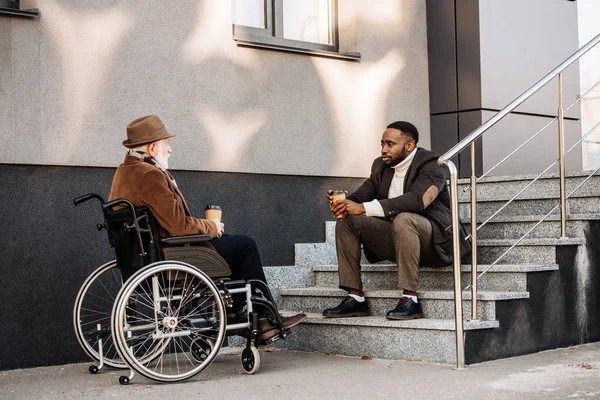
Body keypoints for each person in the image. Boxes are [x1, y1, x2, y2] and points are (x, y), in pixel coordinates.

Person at [108, 115, 306, 341]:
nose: (170, 150)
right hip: (172, 253)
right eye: (166, 145)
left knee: (230, 242)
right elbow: (179, 226)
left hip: (147, 253)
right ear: (153, 147)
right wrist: (210, 226)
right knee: (245, 246)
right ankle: (259, 317)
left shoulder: (124, 171)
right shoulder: (150, 174)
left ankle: (239, 311)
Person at [322, 121, 471, 320]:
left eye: (390, 144)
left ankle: (410, 299)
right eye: (382, 144)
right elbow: (363, 194)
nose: (384, 149)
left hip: (437, 244)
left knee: (404, 218)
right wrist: (344, 202)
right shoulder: (381, 165)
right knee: (347, 220)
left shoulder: (432, 165)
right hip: (401, 243)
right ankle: (355, 297)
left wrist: (364, 207)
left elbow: (417, 200)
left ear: (409, 146)